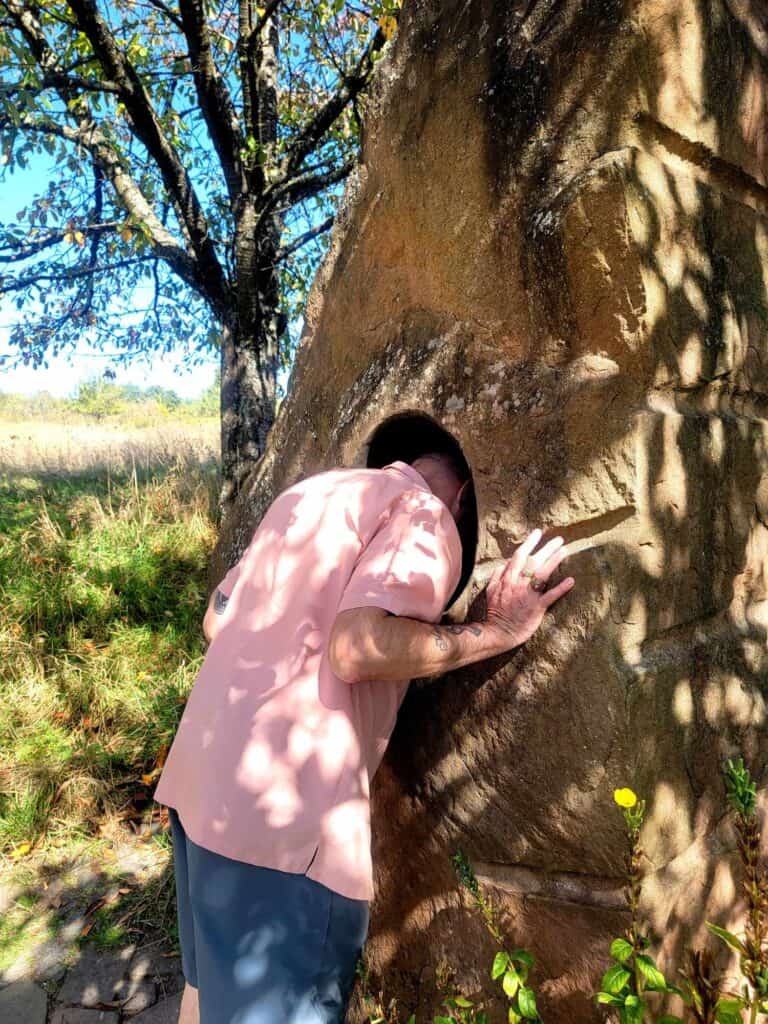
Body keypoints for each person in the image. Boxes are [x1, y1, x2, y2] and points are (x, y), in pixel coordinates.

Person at [153, 452, 575, 1024]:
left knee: (206, 994)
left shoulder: (309, 493)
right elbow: (357, 648)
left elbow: (216, 618)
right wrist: (491, 631)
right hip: (284, 830)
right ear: (463, 497)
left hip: (198, 786)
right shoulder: (425, 513)